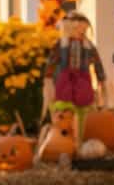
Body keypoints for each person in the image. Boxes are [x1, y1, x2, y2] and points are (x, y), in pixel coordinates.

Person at [42, 11, 108, 143]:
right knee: (64, 112)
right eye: (79, 29)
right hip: (64, 82)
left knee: (84, 110)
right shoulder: (61, 45)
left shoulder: (89, 47)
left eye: (84, 29)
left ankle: (81, 139)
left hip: (83, 82)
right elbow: (51, 63)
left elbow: (97, 64)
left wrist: (102, 81)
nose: (82, 31)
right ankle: (64, 141)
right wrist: (48, 81)